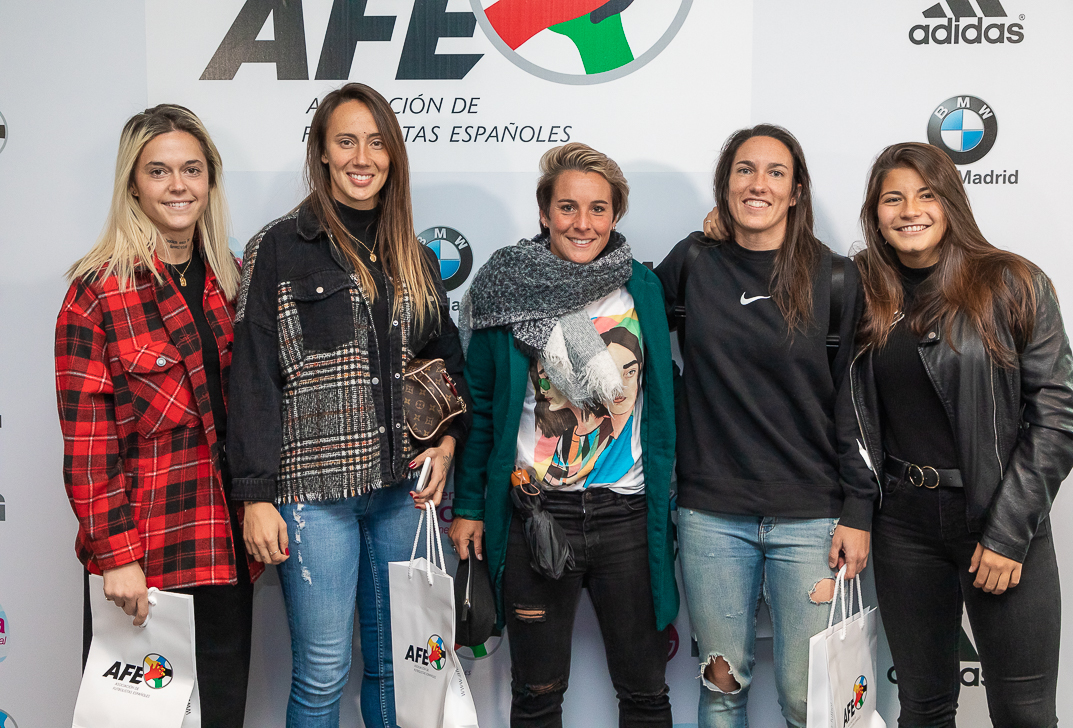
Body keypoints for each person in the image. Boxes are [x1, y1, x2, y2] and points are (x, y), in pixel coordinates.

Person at [226, 82, 469, 728]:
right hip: (313, 500)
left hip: (402, 495)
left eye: (376, 141)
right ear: (323, 153)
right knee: (322, 673)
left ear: (392, 156)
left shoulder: (412, 256)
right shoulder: (275, 248)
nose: (363, 156)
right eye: (346, 141)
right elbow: (251, 379)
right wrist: (254, 497)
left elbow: (448, 362)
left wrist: (445, 446)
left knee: (397, 667)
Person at [851, 142, 1073, 727]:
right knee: (923, 710)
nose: (910, 210)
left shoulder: (1012, 282)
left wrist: (1008, 533)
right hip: (903, 527)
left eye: (926, 194)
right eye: (892, 198)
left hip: (998, 520)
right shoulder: (860, 290)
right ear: (875, 213)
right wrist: (720, 228)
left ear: (951, 201)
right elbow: (780, 274)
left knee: (1025, 715)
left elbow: (1058, 419)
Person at [450, 142, 679, 727]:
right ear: (545, 212)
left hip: (626, 515)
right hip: (536, 514)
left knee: (646, 693)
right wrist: (470, 506)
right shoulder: (505, 287)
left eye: (599, 209)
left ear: (616, 215)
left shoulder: (641, 288)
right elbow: (479, 413)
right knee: (537, 695)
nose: (584, 223)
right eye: (569, 208)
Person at [654, 124, 875, 728]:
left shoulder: (834, 277)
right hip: (710, 515)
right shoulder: (694, 263)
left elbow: (854, 401)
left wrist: (858, 508)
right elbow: (628, 320)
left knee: (809, 700)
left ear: (797, 190)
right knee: (721, 687)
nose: (759, 184)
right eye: (744, 170)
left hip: (810, 516)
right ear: (725, 186)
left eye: (775, 172)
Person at [55, 104, 257, 726]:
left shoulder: (233, 277)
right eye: (159, 171)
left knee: (222, 713)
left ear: (211, 180)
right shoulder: (95, 293)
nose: (178, 186)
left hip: (225, 544)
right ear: (132, 184)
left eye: (192, 170)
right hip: (145, 553)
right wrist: (116, 555)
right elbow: (87, 442)